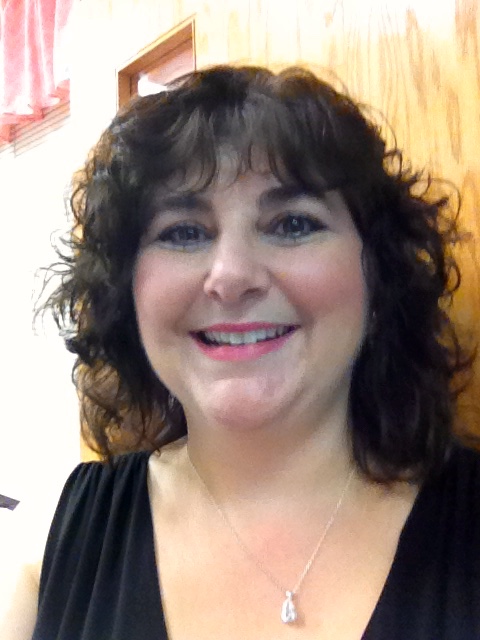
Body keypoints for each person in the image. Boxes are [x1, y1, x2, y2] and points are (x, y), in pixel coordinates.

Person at [1, 64, 478, 640]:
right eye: (183, 232)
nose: (231, 276)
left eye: (292, 224)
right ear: (127, 294)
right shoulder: (42, 547)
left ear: (378, 276)